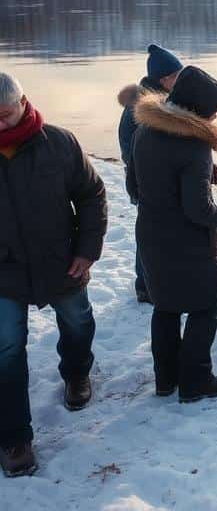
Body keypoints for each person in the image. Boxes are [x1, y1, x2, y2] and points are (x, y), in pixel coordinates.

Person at [0, 73, 107, 478]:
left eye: (5, 116)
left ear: (24, 104)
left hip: (60, 261)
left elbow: (92, 194)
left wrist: (86, 250)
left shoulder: (59, 143)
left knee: (77, 322)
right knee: (6, 348)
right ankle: (14, 438)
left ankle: (77, 373)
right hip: (4, 271)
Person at [127, 66, 217, 403]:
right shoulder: (194, 146)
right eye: (214, 109)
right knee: (205, 307)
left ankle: (166, 380)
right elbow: (198, 210)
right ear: (198, 107)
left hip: (151, 235)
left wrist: (206, 178)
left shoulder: (144, 131)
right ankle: (196, 380)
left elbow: (135, 186)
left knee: (165, 307)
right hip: (188, 243)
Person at [118, 44, 217, 303]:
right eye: (175, 75)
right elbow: (132, 148)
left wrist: (208, 173)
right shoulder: (145, 109)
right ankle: (145, 283)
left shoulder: (175, 105)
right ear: (163, 79)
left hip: (159, 183)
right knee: (152, 235)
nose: (179, 79)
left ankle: (158, 283)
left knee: (157, 234)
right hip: (151, 184)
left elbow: (181, 155)